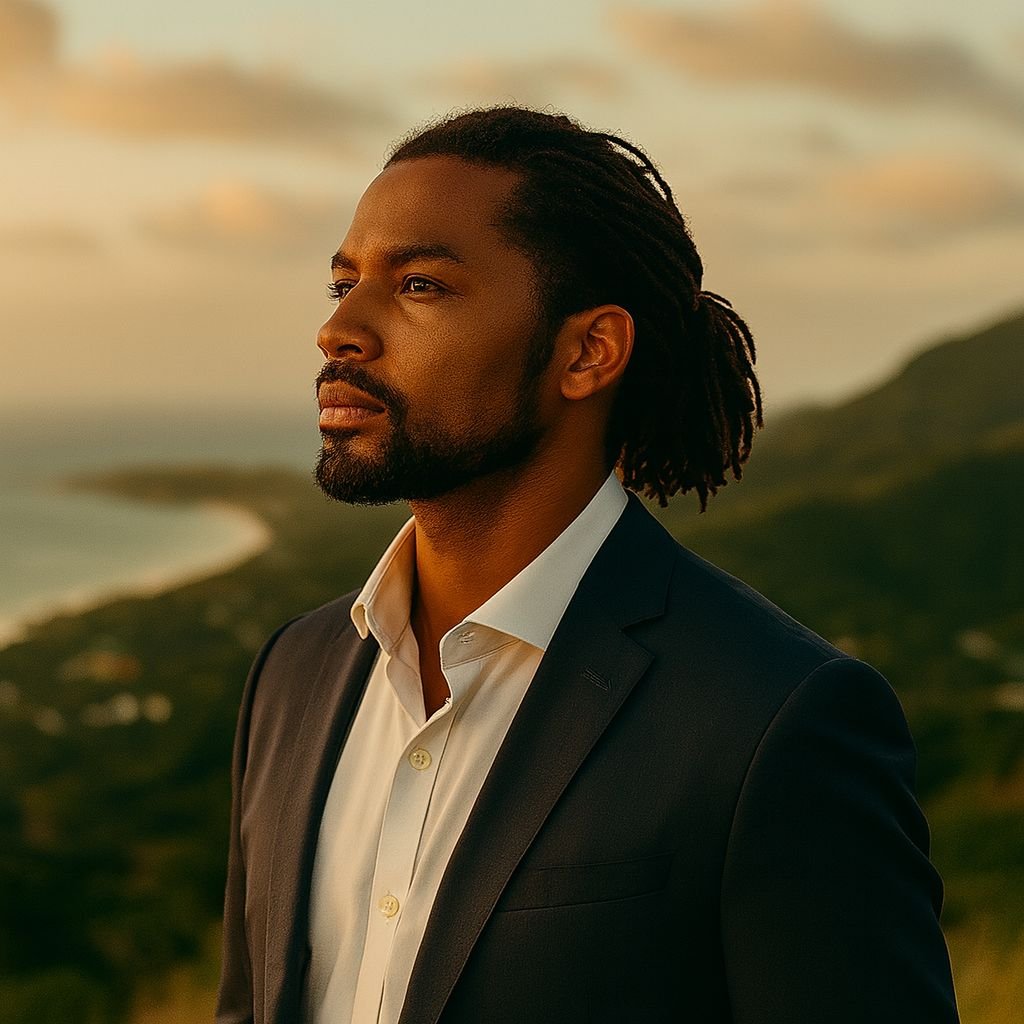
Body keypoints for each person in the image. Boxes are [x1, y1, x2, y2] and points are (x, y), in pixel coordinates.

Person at [215, 106, 960, 1024]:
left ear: (586, 352)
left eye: (418, 285)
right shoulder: (295, 672)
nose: (341, 331)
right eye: (342, 284)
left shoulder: (773, 717)